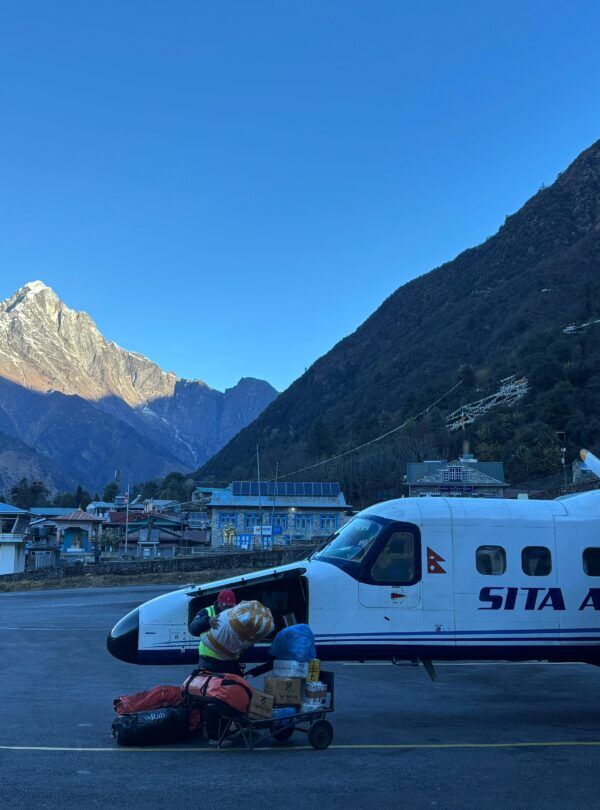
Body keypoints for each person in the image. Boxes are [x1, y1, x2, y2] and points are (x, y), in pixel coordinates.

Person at [190, 589, 242, 675]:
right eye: (225, 605)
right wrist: (207, 621)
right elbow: (193, 629)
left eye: (231, 606)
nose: (227, 609)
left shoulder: (237, 615)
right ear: (218, 603)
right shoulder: (207, 611)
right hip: (209, 660)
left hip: (230, 660)